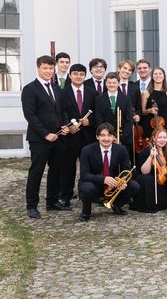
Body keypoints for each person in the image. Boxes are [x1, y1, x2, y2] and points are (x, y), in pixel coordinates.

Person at [21, 55, 68, 218]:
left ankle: (52, 202)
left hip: (58, 137)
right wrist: (45, 134)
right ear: (38, 68)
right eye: (45, 68)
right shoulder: (30, 89)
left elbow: (61, 111)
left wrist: (64, 125)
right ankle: (31, 206)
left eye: (50, 68)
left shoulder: (56, 88)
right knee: (37, 171)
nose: (48, 71)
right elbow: (30, 115)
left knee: (56, 170)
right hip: (39, 139)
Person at [78, 123, 140, 221]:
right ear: (97, 136)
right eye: (103, 135)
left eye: (109, 135)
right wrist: (103, 179)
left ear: (114, 137)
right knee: (86, 188)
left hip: (113, 184)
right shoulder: (87, 150)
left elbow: (127, 169)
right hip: (95, 183)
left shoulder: (121, 149)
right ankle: (86, 212)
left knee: (134, 186)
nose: (106, 139)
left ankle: (117, 206)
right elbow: (84, 175)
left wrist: (123, 180)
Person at [59, 63, 96, 209]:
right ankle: (65, 196)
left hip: (88, 136)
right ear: (70, 76)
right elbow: (61, 112)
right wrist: (68, 125)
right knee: (68, 167)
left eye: (81, 74)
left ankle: (88, 194)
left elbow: (98, 113)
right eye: (75, 74)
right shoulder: (63, 92)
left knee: (89, 167)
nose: (78, 76)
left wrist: (89, 121)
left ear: (85, 76)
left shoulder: (93, 93)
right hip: (70, 136)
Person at [131, 127, 167, 213]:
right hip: (151, 175)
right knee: (146, 179)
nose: (162, 140)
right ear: (154, 139)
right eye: (159, 137)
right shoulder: (146, 151)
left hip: (164, 175)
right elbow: (144, 171)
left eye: (164, 137)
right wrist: (151, 156)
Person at [94, 72, 134, 160]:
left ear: (118, 83)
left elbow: (129, 120)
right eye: (109, 82)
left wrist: (120, 138)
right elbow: (99, 120)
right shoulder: (99, 99)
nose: (111, 85)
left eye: (114, 82)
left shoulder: (126, 98)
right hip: (106, 138)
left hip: (123, 138)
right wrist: (109, 137)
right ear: (105, 83)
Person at [141, 67, 167, 143]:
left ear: (164, 76)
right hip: (149, 125)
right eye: (155, 74)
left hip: (165, 124)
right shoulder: (146, 93)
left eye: (160, 74)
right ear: (152, 76)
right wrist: (149, 110)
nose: (158, 76)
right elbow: (143, 111)